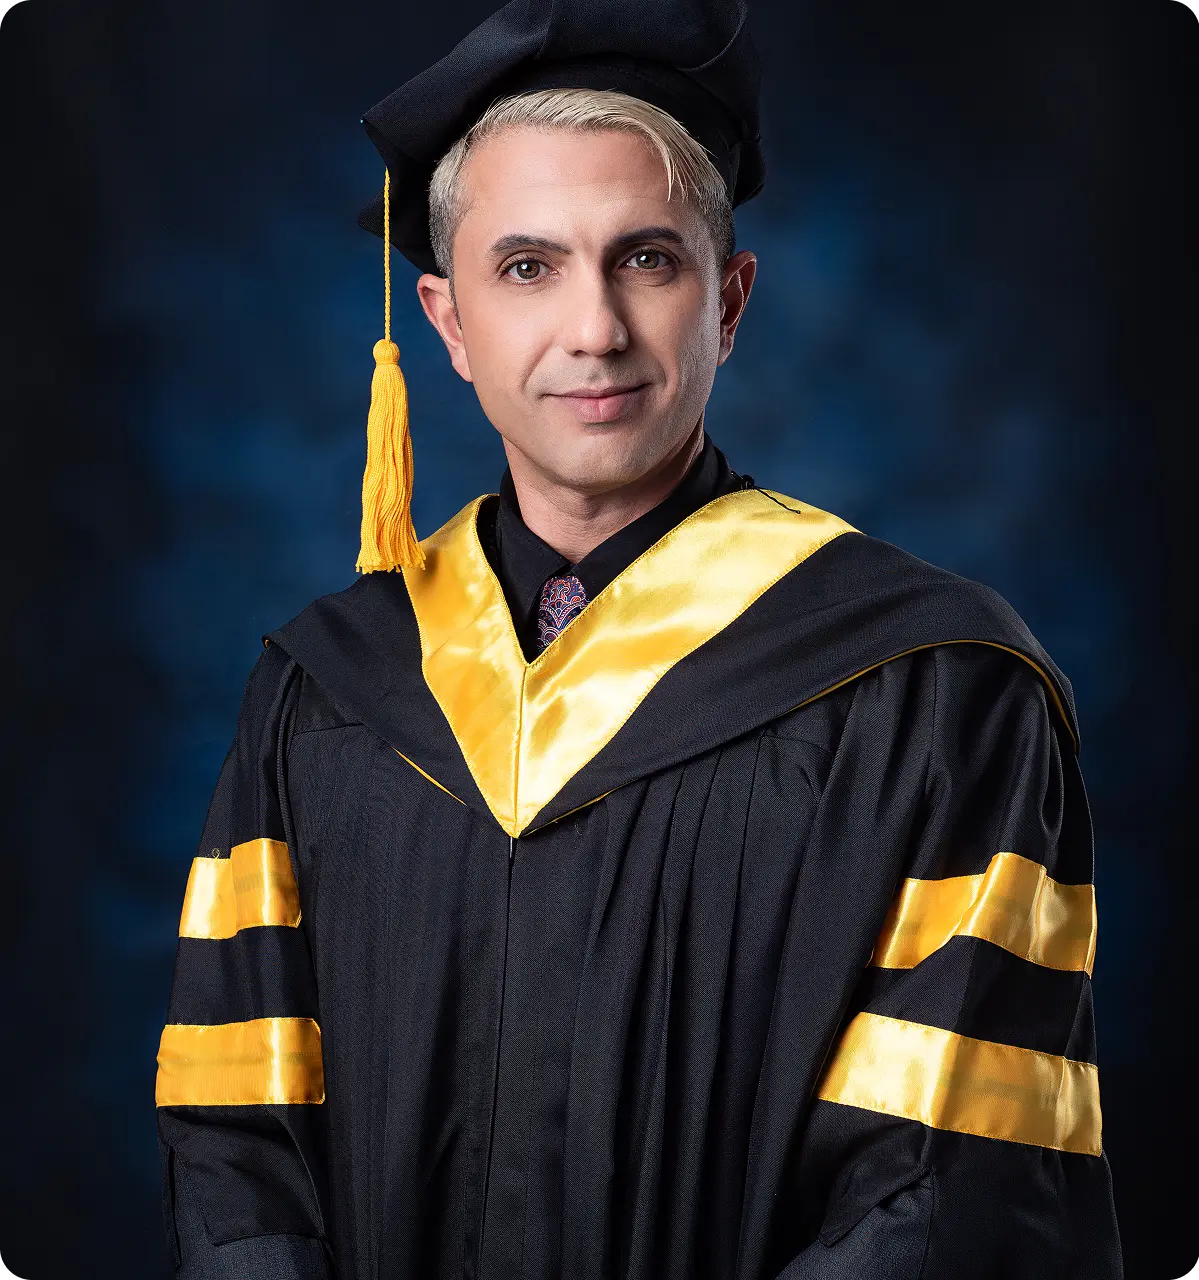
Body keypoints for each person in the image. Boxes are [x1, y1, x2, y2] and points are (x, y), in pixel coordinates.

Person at [155, 1, 1122, 1276]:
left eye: (647, 260)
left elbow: (943, 1188)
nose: (595, 329)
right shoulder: (322, 691)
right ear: (445, 323)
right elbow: (238, 1146)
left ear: (730, 298)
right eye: (527, 266)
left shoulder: (933, 690)